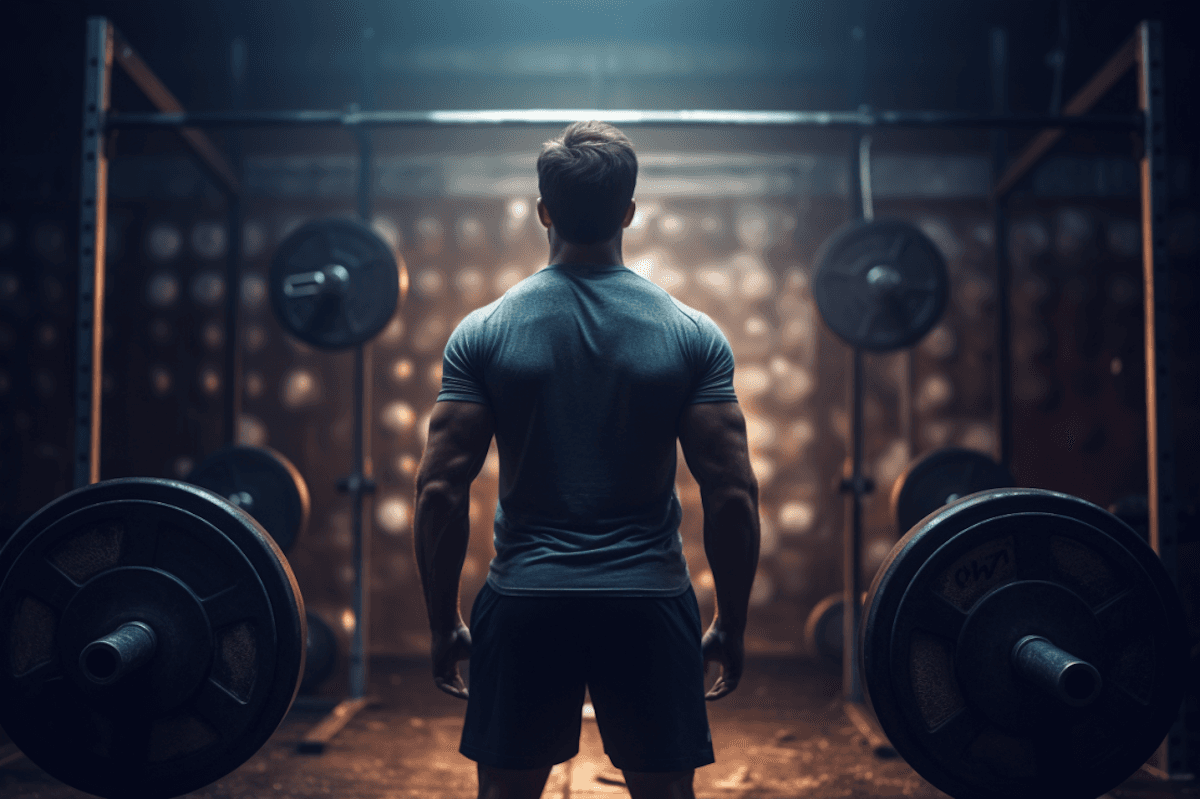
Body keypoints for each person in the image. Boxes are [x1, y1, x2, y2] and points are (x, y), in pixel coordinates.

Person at [414, 120, 760, 799]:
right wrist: (733, 623)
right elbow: (732, 493)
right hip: (649, 602)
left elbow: (439, 491)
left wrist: (442, 622)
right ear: (629, 212)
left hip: (526, 601)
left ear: (543, 211)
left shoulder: (483, 332)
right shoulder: (692, 334)